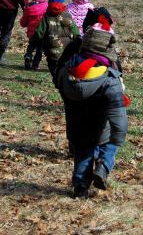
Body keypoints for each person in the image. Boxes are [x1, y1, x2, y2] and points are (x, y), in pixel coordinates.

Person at [56, 25, 128, 199]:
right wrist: (119, 137)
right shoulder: (110, 79)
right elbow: (119, 117)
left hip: (77, 127)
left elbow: (58, 84)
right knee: (110, 144)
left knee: (83, 154)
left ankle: (80, 188)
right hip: (102, 129)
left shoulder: (68, 72)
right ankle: (102, 168)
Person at [34, 0, 80, 76]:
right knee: (63, 70)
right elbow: (76, 32)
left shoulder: (46, 17)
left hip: (52, 52)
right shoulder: (68, 16)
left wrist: (35, 40)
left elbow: (39, 33)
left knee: (54, 69)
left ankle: (57, 79)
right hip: (67, 52)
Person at [20, 0, 48, 70]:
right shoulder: (47, 6)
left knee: (31, 46)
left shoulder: (29, 6)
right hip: (42, 32)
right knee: (40, 49)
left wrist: (23, 23)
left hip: (32, 32)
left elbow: (23, 22)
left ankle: (28, 56)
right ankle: (35, 64)